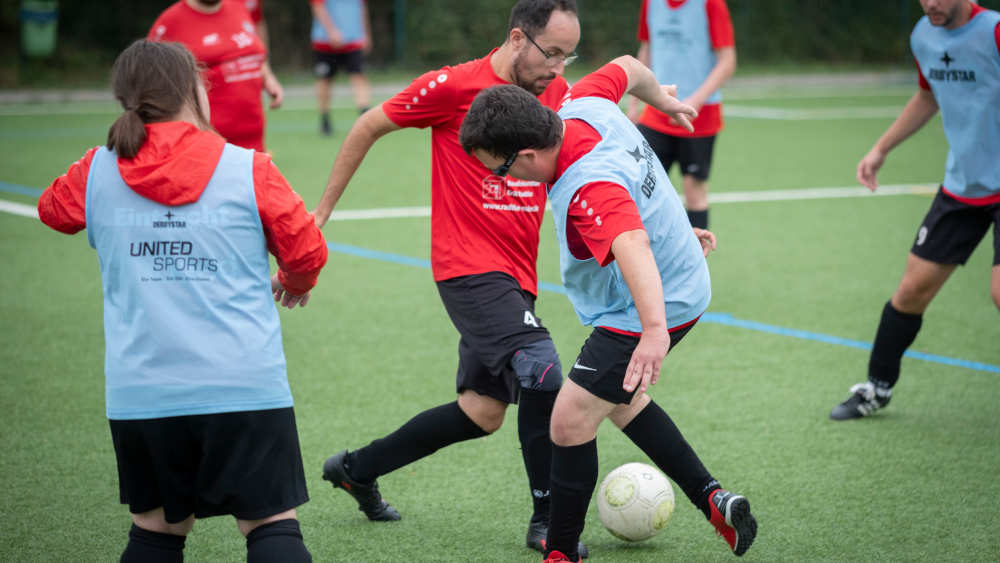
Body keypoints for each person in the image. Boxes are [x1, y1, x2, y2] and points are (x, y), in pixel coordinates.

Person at [312, 0, 589, 556]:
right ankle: (547, 520)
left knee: (482, 413)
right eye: (551, 53)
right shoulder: (452, 87)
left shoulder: (556, 96)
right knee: (542, 371)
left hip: (518, 274)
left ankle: (356, 469)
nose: (560, 68)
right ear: (518, 38)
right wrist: (319, 217)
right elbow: (368, 125)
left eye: (569, 55)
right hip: (467, 267)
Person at [36, 40, 328, 562]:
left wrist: (101, 161)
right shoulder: (248, 168)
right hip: (244, 385)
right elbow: (307, 250)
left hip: (143, 390)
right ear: (192, 91)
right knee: (270, 525)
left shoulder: (96, 171)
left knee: (156, 530)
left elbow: (52, 210)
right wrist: (295, 282)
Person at [459, 55, 758, 562]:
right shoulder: (586, 104)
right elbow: (626, 65)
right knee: (619, 402)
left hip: (652, 302)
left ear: (528, 152)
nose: (505, 179)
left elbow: (633, 243)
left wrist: (654, 331)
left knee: (569, 421)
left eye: (503, 169)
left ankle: (560, 553)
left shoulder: (588, 187)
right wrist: (660, 100)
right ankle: (715, 501)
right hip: (676, 272)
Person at [830, 0, 1000, 420]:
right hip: (963, 186)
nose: (931, 4)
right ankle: (877, 388)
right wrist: (881, 148)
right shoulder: (923, 36)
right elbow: (928, 96)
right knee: (910, 292)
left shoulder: (994, 31)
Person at [626, 0, 736, 230]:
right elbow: (646, 50)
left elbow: (727, 61)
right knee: (637, 185)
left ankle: (694, 263)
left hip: (700, 117)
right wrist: (634, 102)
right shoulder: (651, 3)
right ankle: (645, 258)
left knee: (694, 190)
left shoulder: (712, 4)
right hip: (655, 114)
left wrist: (693, 102)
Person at [149, 0, 284, 152]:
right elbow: (149, 79)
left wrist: (268, 77)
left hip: (254, 142)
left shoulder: (239, 7)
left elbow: (253, 49)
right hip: (208, 146)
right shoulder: (170, 21)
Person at [310, 0, 373, 136]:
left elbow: (362, 8)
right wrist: (332, 31)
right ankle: (325, 118)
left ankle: (366, 118)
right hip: (325, 41)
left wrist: (366, 33)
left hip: (353, 40)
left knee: (358, 75)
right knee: (325, 79)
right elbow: (318, 7)